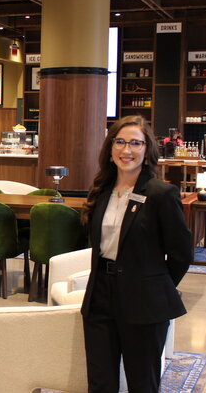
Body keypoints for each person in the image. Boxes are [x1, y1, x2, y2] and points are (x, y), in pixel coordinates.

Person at [80, 116, 193, 392]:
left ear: (147, 150)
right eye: (119, 142)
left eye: (135, 143)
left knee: (142, 381)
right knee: (100, 381)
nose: (126, 150)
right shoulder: (102, 191)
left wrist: (155, 285)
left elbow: (181, 253)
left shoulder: (161, 194)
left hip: (144, 301)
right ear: (110, 148)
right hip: (100, 297)